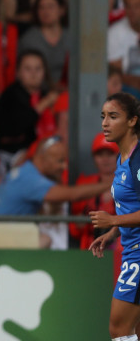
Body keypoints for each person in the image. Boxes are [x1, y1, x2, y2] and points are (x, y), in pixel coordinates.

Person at [86, 93, 140, 339]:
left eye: (113, 116)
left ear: (132, 121)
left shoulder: (138, 160)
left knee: (118, 328)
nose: (105, 123)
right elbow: (132, 206)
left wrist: (114, 220)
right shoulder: (123, 157)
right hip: (131, 248)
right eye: (103, 116)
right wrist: (112, 233)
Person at [0, 136, 110, 217]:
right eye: (60, 161)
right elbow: (73, 195)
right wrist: (111, 184)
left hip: (2, 234)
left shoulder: (25, 170)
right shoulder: (30, 179)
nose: (64, 167)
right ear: (44, 159)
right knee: (45, 240)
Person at [0, 50, 63, 164]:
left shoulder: (47, 94)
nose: (33, 74)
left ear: (44, 72)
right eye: (28, 69)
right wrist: (43, 105)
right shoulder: (9, 95)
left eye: (38, 69)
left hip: (46, 150)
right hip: (13, 154)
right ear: (18, 72)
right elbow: (14, 129)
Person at [19, 0, 70, 88]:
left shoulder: (72, 38)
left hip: (69, 92)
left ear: (62, 10)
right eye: (41, 7)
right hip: (37, 92)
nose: (45, 11)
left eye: (51, 6)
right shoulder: (28, 39)